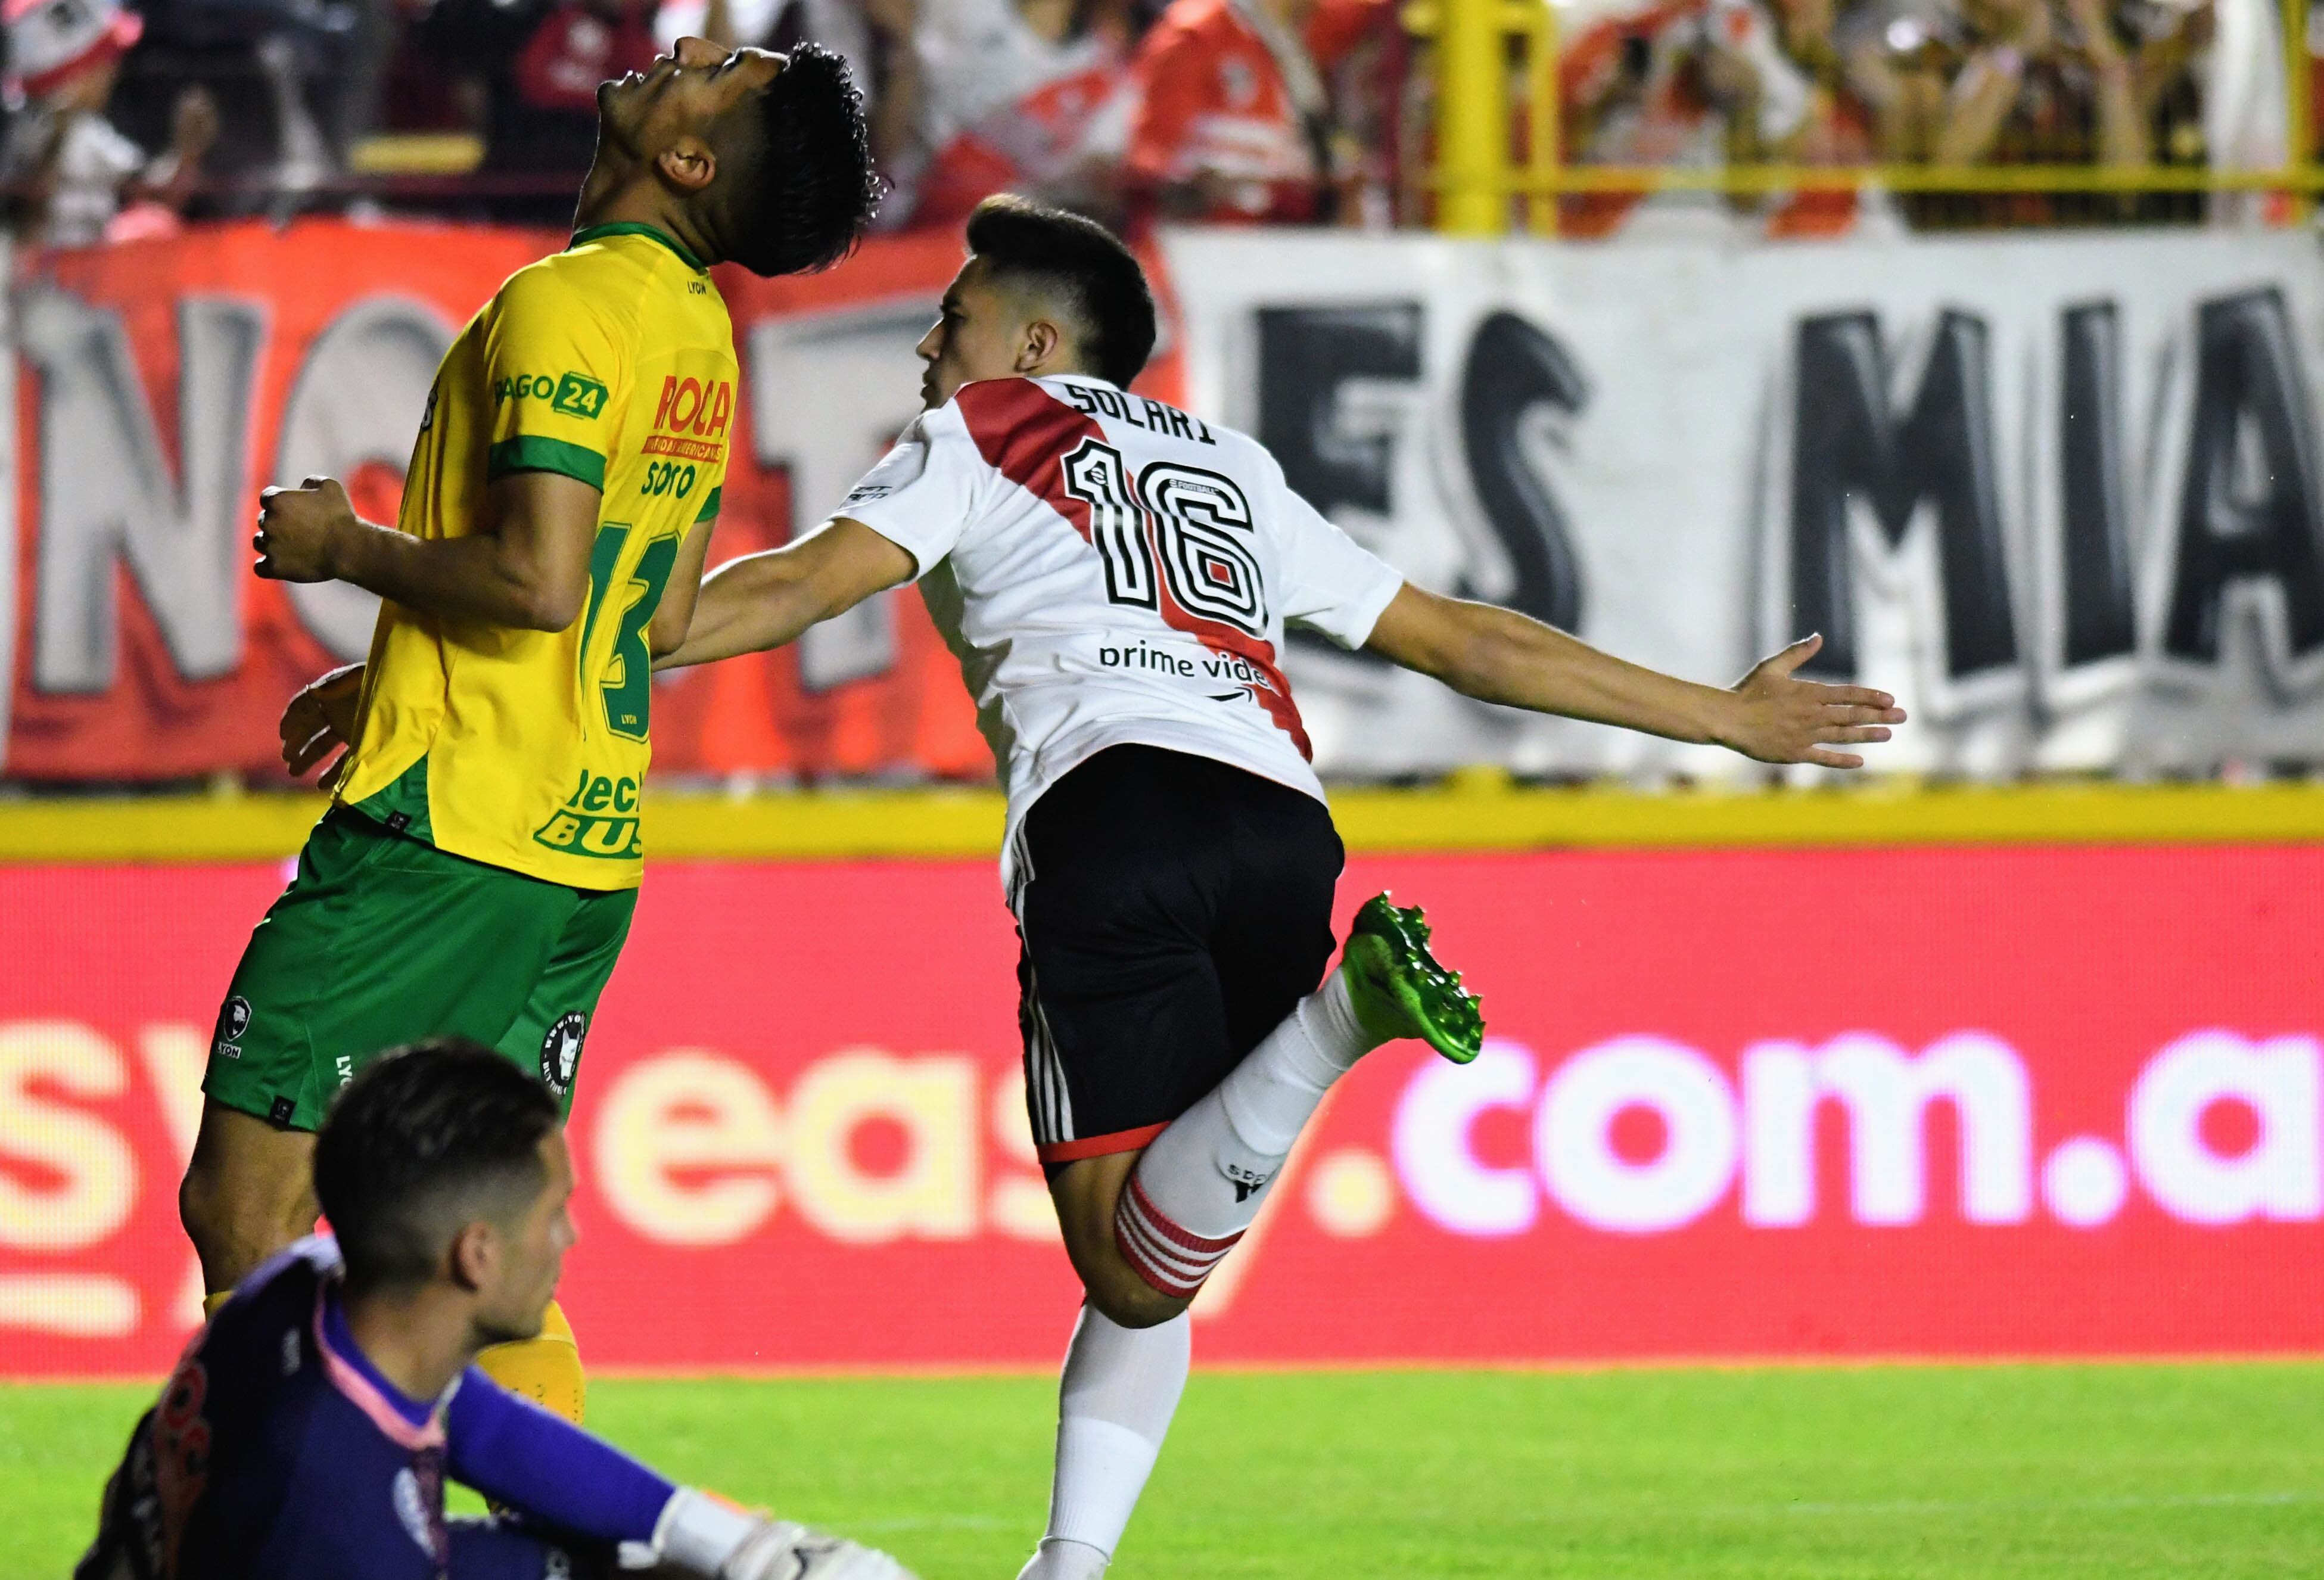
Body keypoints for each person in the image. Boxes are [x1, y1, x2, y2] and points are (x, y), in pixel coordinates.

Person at [642, 194, 1908, 1579]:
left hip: (1110, 809)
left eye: (956, 316)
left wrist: (605, 632)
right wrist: (1718, 719)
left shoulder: (980, 432)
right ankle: (1068, 1565)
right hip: (1278, 820)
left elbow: (803, 586)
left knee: (1126, 1260)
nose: (930, 344)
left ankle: (1340, 1021)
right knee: (1170, 1244)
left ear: (1037, 342)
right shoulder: (1228, 464)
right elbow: (1455, 637)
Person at [178, 35, 883, 1429]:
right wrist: (392, 675)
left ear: (686, 162)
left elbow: (536, 584)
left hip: (447, 837)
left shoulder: (568, 305)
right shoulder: (692, 332)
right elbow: (656, 614)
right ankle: (568, 1544)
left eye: (715, 73)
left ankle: (278, 1527)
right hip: (579, 848)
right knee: (471, 1240)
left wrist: (347, 548)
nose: (679, 53)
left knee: (245, 1209)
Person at [82, 1038, 912, 1580]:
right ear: (475, 1254)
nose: (571, 1236)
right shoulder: (338, 1522)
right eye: (551, 1213)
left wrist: (734, 1552)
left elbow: (485, 1427)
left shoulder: (309, 1291)